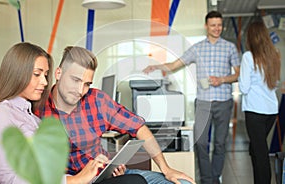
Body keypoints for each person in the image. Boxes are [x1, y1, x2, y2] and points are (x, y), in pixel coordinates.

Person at [0, 42, 147, 184]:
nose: (45, 82)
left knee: (134, 180)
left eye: (45, 75)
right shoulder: (0, 114)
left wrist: (94, 171)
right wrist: (76, 179)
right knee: (135, 181)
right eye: (37, 74)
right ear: (16, 73)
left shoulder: (31, 116)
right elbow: (12, 180)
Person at [35, 46, 195, 184]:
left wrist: (166, 168)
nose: (80, 91)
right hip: (75, 181)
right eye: (75, 80)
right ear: (58, 73)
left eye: (86, 84)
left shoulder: (96, 100)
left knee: (182, 182)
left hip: (107, 175)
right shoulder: (37, 109)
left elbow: (139, 128)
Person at [143, 11, 240, 184]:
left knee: (219, 143)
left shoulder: (229, 47)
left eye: (219, 25)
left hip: (224, 101)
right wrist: (156, 66)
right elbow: (175, 65)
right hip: (203, 102)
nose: (217, 28)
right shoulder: (197, 48)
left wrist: (223, 79)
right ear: (206, 26)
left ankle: (215, 177)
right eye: (213, 25)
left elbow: (238, 75)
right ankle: (206, 178)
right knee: (201, 142)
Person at [238, 21, 281, 184]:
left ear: (251, 37)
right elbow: (275, 83)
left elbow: (244, 87)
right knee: (256, 149)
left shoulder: (249, 57)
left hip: (255, 111)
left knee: (260, 152)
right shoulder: (275, 55)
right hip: (271, 111)